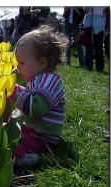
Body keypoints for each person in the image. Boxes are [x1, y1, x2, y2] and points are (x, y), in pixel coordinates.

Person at [8, 25, 69, 166]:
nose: (18, 67)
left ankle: (27, 158)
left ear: (42, 62)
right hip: (33, 132)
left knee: (9, 144)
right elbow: (31, 95)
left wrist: (15, 93)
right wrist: (17, 89)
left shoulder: (50, 81)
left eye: (21, 63)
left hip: (42, 138)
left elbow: (36, 108)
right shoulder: (39, 80)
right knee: (5, 130)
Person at [82, 7, 106, 72]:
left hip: (99, 23)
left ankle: (99, 67)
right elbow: (84, 10)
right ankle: (88, 66)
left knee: (99, 48)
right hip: (88, 24)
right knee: (88, 47)